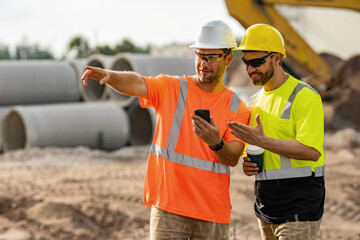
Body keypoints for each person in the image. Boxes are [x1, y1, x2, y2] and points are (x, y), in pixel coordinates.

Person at [81, 20, 250, 239]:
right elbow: (138, 83)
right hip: (169, 208)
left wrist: (216, 142)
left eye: (211, 57)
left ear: (228, 59)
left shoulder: (237, 106)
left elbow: (233, 157)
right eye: (199, 55)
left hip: (212, 214)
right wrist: (111, 76)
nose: (203, 63)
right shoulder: (173, 87)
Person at [228, 23, 325, 240]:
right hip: (266, 208)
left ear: (277, 58)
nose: (250, 69)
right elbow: (257, 150)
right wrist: (249, 164)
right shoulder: (255, 102)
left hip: (300, 207)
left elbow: (311, 151)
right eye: (246, 62)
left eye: (257, 62)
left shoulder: (305, 96)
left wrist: (262, 141)